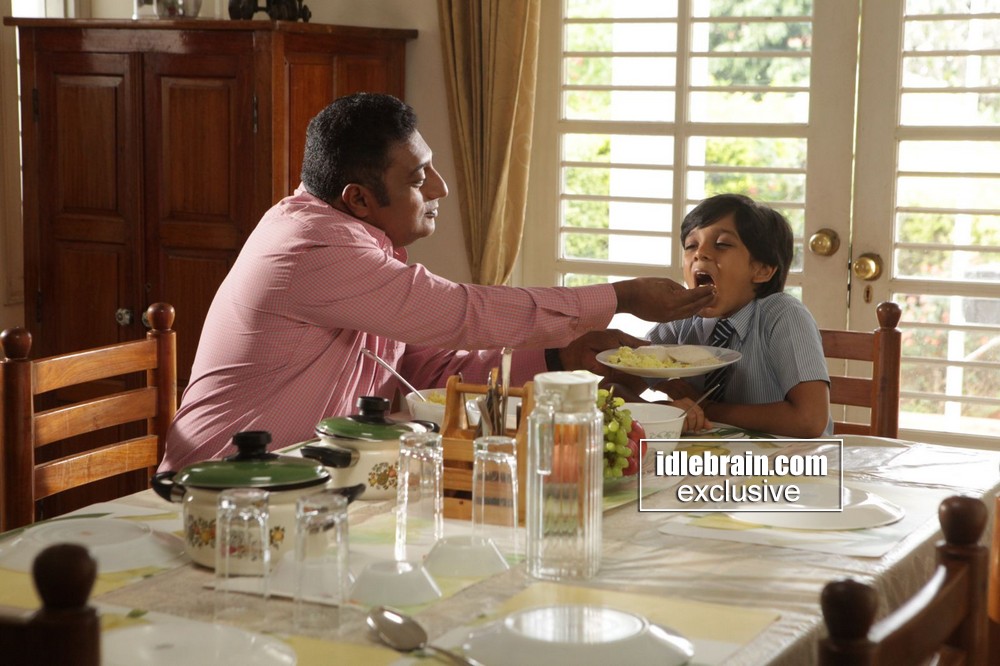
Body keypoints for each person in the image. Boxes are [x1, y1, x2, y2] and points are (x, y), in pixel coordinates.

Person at [158, 93, 714, 471]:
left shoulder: (358, 242)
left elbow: (426, 370)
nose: (441, 189)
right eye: (420, 177)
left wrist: (561, 356)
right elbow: (461, 313)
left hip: (309, 484)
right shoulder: (311, 245)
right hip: (222, 485)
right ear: (359, 198)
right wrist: (621, 296)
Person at [609, 193, 832, 438]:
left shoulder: (783, 315)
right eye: (691, 245)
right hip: (705, 458)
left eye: (722, 244)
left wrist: (707, 408)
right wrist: (661, 413)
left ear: (762, 270)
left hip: (788, 458)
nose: (700, 253)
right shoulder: (680, 321)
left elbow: (809, 420)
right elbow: (610, 389)